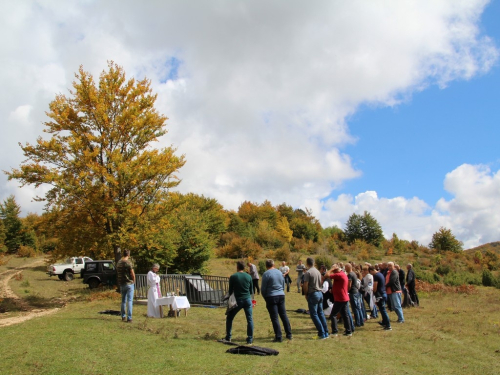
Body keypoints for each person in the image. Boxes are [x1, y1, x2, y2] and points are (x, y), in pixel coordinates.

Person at [261, 259, 292, 342]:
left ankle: (278, 336)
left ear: (266, 266)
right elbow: (283, 284)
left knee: (274, 317)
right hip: (281, 294)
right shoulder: (279, 272)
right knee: (283, 315)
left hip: (271, 296)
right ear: (273, 265)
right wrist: (282, 291)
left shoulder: (266, 274)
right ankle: (289, 334)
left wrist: (265, 297)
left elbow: (263, 288)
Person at [224, 261, 254, 344]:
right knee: (249, 319)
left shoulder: (233, 276)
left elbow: (230, 291)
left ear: (237, 267)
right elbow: (251, 290)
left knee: (230, 317)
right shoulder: (249, 276)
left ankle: (228, 337)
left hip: (238, 300)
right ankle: (250, 339)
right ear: (244, 268)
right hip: (247, 300)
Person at [303, 257, 329, 339]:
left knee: (314, 314)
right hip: (320, 293)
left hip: (313, 293)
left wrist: (306, 294)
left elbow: (306, 284)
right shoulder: (318, 272)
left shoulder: (308, 272)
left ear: (307, 263)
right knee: (320, 313)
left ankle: (321, 333)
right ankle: (326, 332)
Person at [327, 264, 353, 336]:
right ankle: (348, 331)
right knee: (345, 314)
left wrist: (331, 269)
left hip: (340, 298)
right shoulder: (342, 274)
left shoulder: (339, 275)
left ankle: (334, 331)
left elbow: (327, 275)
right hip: (343, 297)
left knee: (333, 315)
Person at [369, 265, 391, 331]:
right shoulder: (380, 274)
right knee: (382, 309)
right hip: (383, 293)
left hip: (380, 294)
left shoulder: (376, 276)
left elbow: (375, 287)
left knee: (383, 310)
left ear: (371, 271)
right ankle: (384, 322)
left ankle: (388, 325)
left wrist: (373, 291)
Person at [117, 249, 136, 323]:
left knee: (123, 301)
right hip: (129, 283)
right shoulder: (128, 263)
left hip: (122, 283)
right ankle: (129, 318)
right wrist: (133, 281)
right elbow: (132, 273)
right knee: (130, 300)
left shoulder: (119, 262)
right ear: (128, 254)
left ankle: (123, 316)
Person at [345, 263, 364, 328]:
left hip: (353, 292)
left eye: (345, 267)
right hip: (356, 292)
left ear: (348, 267)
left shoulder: (350, 274)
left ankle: (358, 322)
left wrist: (346, 290)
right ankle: (361, 321)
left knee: (355, 308)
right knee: (358, 308)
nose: (345, 268)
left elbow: (349, 285)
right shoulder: (353, 273)